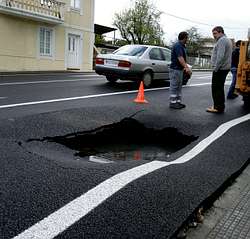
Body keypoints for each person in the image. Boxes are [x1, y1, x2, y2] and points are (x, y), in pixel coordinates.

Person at [207, 26, 232, 113]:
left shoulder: (222, 40)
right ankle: (219, 106)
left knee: (216, 88)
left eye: (215, 33)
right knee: (219, 88)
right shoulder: (226, 40)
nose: (213, 36)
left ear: (220, 32)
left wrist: (216, 68)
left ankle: (218, 107)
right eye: (213, 34)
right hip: (224, 68)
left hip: (220, 68)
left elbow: (220, 56)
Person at [169, 31, 191, 109]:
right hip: (175, 69)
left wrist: (185, 67)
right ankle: (173, 103)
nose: (187, 39)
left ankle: (178, 102)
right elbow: (180, 58)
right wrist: (186, 67)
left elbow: (182, 58)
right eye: (187, 38)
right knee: (174, 86)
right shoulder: (178, 46)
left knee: (178, 86)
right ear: (184, 38)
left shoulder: (181, 46)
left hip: (179, 69)